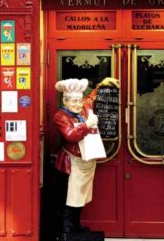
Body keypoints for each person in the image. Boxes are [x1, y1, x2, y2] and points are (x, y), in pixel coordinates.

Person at [52, 77, 119, 234]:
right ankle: (66, 230)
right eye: (73, 101)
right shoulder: (60, 116)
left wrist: (101, 85)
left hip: (86, 162)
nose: (77, 104)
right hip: (71, 163)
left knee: (81, 196)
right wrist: (87, 125)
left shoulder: (83, 109)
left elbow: (90, 99)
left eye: (79, 101)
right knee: (68, 198)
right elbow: (70, 135)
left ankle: (76, 226)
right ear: (65, 101)